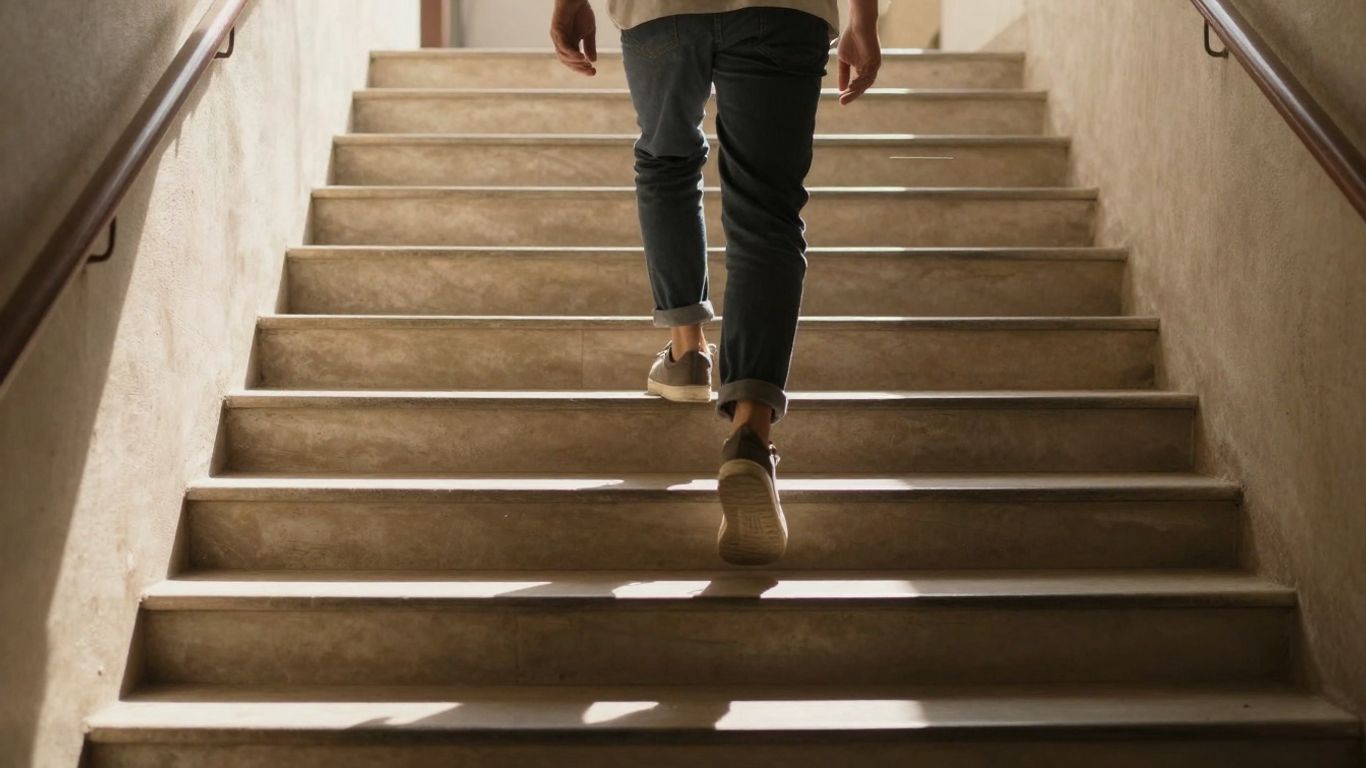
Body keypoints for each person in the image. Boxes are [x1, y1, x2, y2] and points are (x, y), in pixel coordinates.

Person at [550, 0, 881, 565]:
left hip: (661, 9)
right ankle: (750, 432)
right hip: (785, 11)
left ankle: (687, 351)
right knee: (768, 208)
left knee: (666, 161)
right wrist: (865, 20)